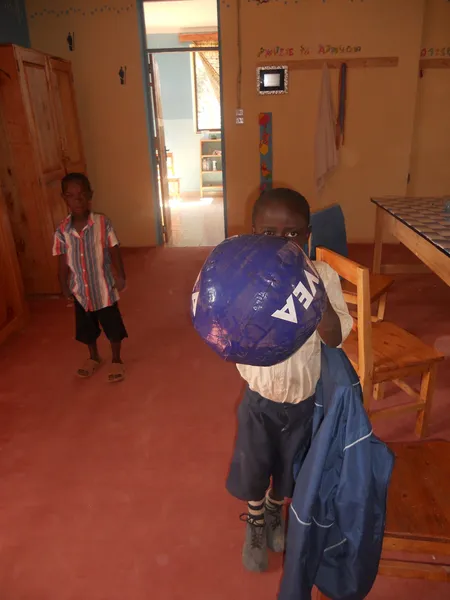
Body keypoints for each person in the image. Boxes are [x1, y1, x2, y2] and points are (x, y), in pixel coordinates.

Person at [226, 188, 353, 572]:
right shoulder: (244, 279)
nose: (282, 242)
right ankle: (255, 520)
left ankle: (275, 510)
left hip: (303, 402)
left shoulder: (324, 276)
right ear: (252, 233)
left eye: (293, 233)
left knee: (289, 469)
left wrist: (315, 293)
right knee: (253, 466)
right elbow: (228, 332)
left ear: (308, 234)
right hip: (259, 399)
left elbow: (335, 337)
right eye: (268, 233)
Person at [53, 173, 128, 382]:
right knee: (87, 329)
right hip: (80, 292)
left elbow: (114, 249)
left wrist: (120, 275)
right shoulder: (61, 231)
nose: (77, 200)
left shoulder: (103, 223)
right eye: (71, 195)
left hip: (104, 290)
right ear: (64, 198)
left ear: (90, 196)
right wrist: (63, 285)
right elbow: (61, 259)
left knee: (113, 327)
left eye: (82, 194)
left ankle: (116, 360)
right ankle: (94, 357)